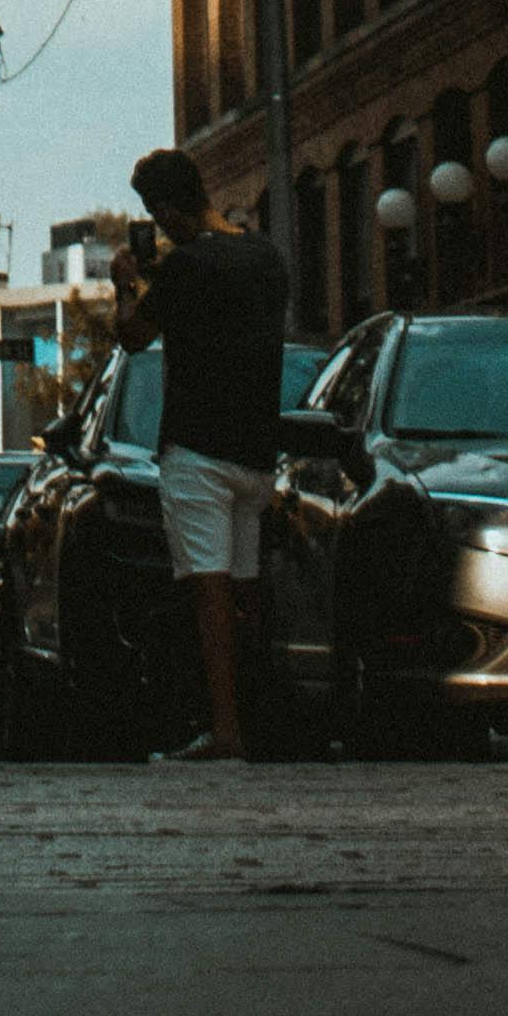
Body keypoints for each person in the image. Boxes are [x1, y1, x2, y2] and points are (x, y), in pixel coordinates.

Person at [112, 141, 290, 767]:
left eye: (155, 214)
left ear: (164, 210)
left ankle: (224, 731)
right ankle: (259, 717)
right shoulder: (266, 257)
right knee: (246, 591)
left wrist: (126, 287)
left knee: (209, 592)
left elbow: (133, 338)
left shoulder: (183, 267)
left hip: (199, 452)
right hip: (257, 453)